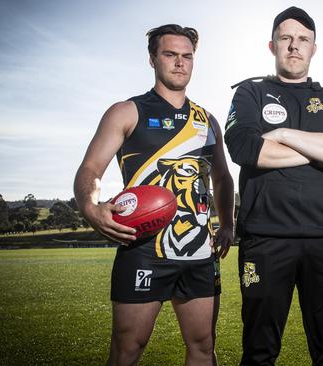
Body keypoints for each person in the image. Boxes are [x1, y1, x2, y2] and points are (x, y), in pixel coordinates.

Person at [73, 24, 234, 366]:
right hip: (143, 247)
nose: (180, 63)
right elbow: (90, 170)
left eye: (187, 56)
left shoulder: (208, 121)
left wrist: (229, 225)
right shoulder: (127, 111)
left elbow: (223, 178)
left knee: (204, 347)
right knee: (128, 347)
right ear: (152, 59)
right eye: (170, 54)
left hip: (199, 251)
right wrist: (91, 205)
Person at [223, 6, 323, 365]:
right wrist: (321, 149)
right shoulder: (249, 94)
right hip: (266, 238)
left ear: (314, 48)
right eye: (286, 38)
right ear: (272, 45)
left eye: (303, 40)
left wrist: (284, 135)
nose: (294, 46)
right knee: (259, 351)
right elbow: (244, 147)